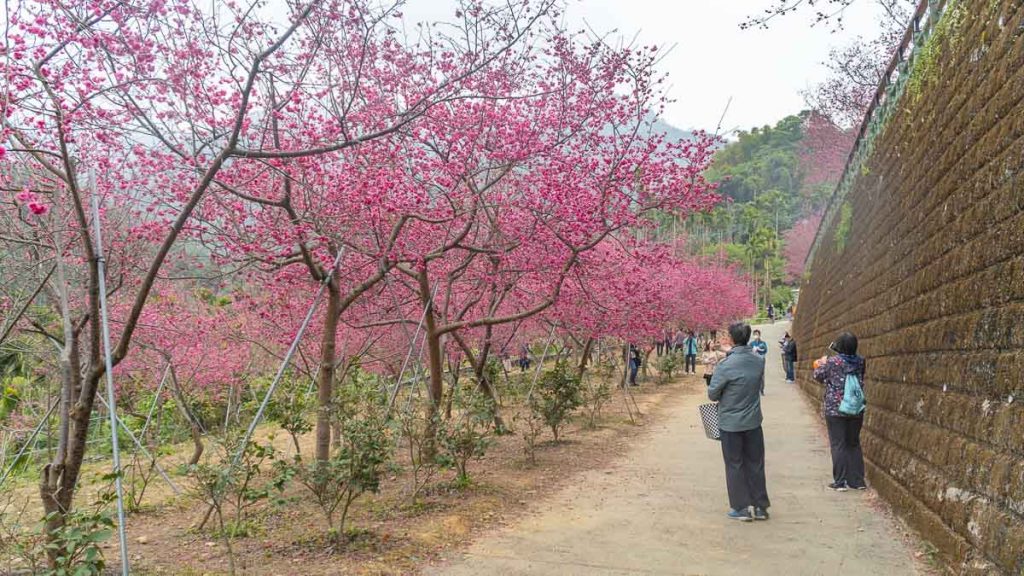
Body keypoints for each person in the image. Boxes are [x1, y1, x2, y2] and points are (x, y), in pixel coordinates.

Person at [708, 322, 770, 522]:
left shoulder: (725, 365)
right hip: (753, 421)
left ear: (732, 339)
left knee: (734, 464)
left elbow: (712, 393)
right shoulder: (759, 361)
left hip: (730, 423)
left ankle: (741, 507)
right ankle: (760, 507)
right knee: (755, 463)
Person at [813, 332, 867, 491]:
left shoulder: (833, 362)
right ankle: (857, 481)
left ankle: (840, 481)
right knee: (853, 443)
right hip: (856, 407)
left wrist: (822, 363)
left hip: (835, 408)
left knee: (838, 444)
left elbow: (818, 376)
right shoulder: (861, 361)